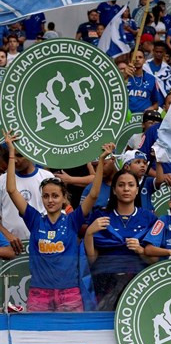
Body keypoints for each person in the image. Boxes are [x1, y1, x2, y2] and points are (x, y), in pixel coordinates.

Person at [5, 131, 112, 312]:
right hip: (39, 294)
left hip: (69, 294)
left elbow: (93, 194)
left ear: (64, 198)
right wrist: (12, 153)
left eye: (55, 196)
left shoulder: (72, 220)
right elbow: (12, 190)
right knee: (37, 339)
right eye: (46, 196)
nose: (50, 200)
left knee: (71, 338)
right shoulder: (34, 219)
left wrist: (101, 161)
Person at [84, 170, 157, 310]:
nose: (126, 189)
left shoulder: (149, 218)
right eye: (121, 185)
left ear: (137, 190)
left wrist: (141, 251)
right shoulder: (100, 216)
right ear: (114, 190)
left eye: (131, 185)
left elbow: (154, 261)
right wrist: (89, 233)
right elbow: (92, 260)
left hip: (139, 282)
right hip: (105, 281)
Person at [0, 144, 55, 256]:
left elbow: (57, 212)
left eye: (19, 156)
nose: (15, 160)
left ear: (31, 154)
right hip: (10, 248)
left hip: (43, 246)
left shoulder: (47, 177)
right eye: (12, 156)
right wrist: (6, 235)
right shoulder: (2, 180)